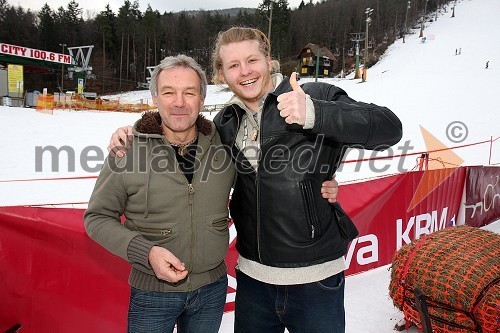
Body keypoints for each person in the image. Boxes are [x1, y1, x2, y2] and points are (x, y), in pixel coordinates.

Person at [108, 26, 400, 333]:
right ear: (221, 74)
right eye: (233, 65)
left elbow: (388, 128)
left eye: (252, 60)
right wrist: (134, 134)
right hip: (253, 282)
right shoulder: (224, 123)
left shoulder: (313, 95)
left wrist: (316, 114)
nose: (245, 72)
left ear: (269, 60)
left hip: (315, 279)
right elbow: (179, 132)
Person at [84, 55, 237, 333]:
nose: (179, 102)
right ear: (155, 98)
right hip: (151, 295)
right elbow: (97, 218)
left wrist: (324, 183)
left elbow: (262, 184)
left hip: (212, 291)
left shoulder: (224, 148)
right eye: (168, 92)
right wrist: (147, 253)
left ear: (202, 100)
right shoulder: (127, 151)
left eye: (189, 92)